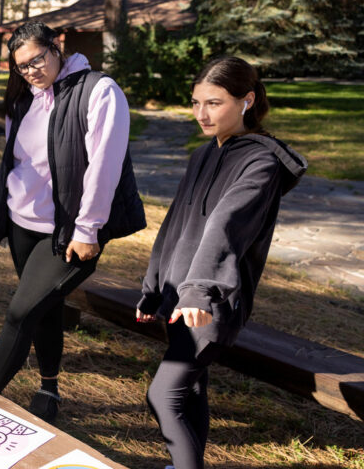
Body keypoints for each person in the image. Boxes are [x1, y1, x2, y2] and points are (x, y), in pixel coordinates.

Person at [137, 57, 305, 469]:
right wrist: (153, 287)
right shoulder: (202, 155)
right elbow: (175, 227)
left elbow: (225, 229)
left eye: (214, 103)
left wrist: (197, 291)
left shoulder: (260, 163)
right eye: (195, 103)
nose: (201, 114)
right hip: (181, 297)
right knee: (190, 392)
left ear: (246, 101)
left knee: (164, 394)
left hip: (211, 302)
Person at [0, 21, 145, 422]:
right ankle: (49, 387)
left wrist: (88, 229)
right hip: (23, 225)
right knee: (44, 308)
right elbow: (17, 160)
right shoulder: (24, 97)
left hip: (67, 232)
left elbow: (104, 166)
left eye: (37, 58)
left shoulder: (99, 90)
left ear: (57, 47)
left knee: (20, 312)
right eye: (22, 66)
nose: (32, 70)